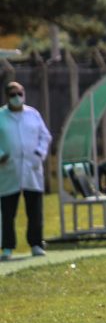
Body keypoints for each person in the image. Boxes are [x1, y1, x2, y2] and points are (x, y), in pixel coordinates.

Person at [0, 82, 52, 261]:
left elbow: (45, 136)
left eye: (20, 93)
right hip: (9, 169)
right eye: (13, 94)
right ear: (7, 96)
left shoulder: (33, 114)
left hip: (32, 168)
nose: (17, 97)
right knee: (8, 212)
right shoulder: (1, 116)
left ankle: (36, 244)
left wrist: (39, 153)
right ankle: (7, 247)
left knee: (34, 210)